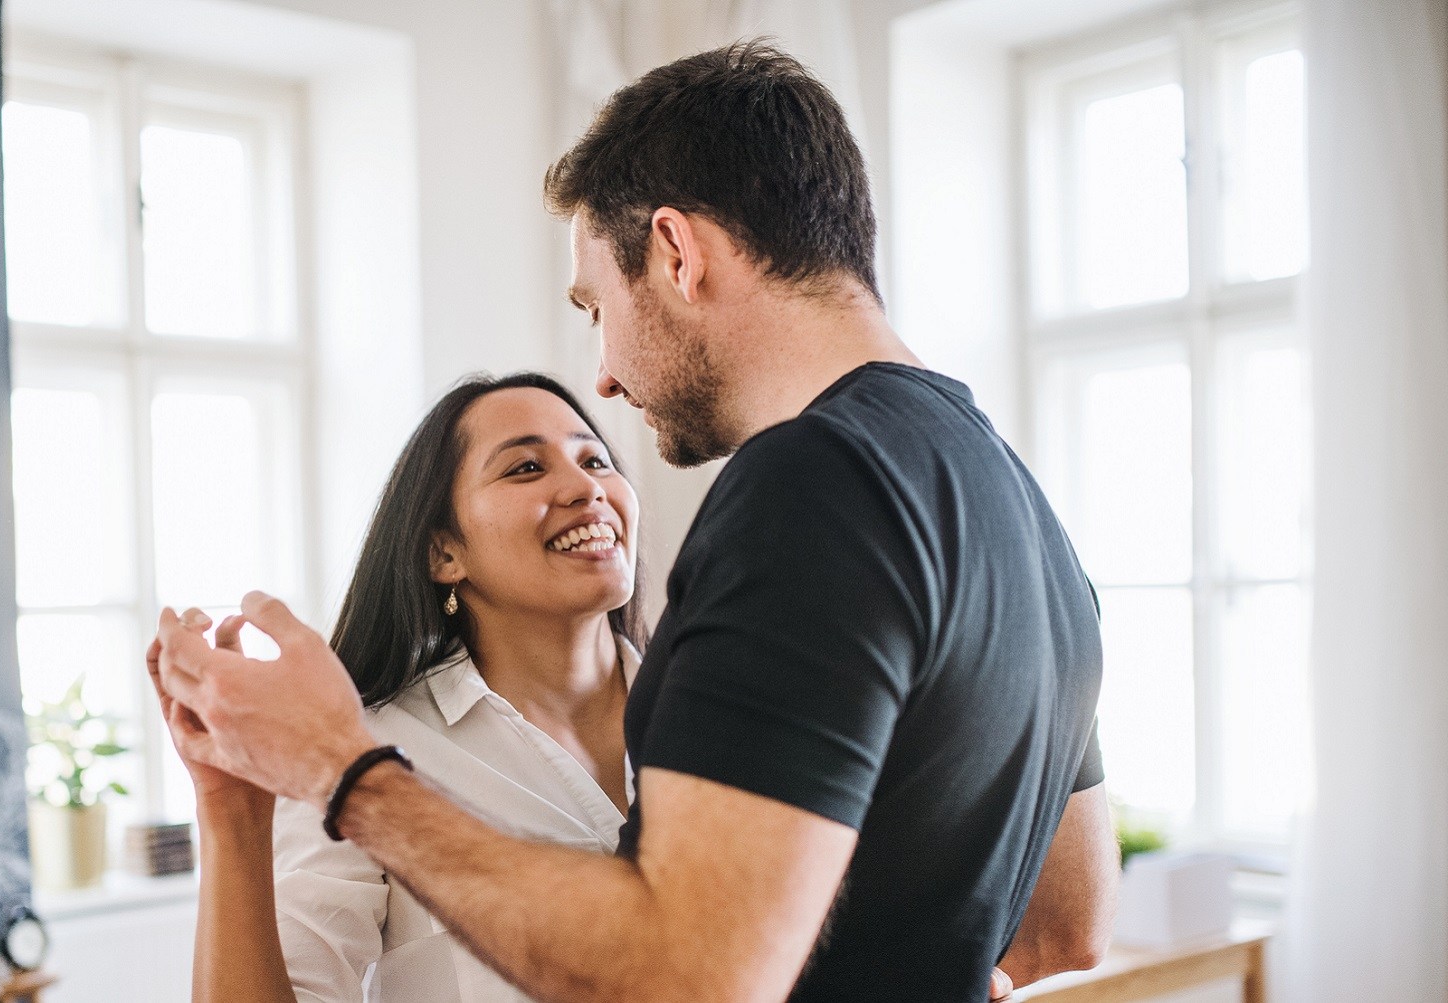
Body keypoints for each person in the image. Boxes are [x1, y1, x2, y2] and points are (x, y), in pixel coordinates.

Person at [152, 41, 1118, 1002]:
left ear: (674, 251)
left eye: (596, 303)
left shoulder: (805, 484)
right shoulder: (1016, 499)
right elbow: (1064, 928)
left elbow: (685, 976)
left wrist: (342, 771)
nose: (606, 371)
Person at [147, 373, 647, 1001]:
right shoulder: (357, 750)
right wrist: (231, 817)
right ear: (444, 555)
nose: (585, 488)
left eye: (595, 459)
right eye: (525, 468)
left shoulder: (725, 713)